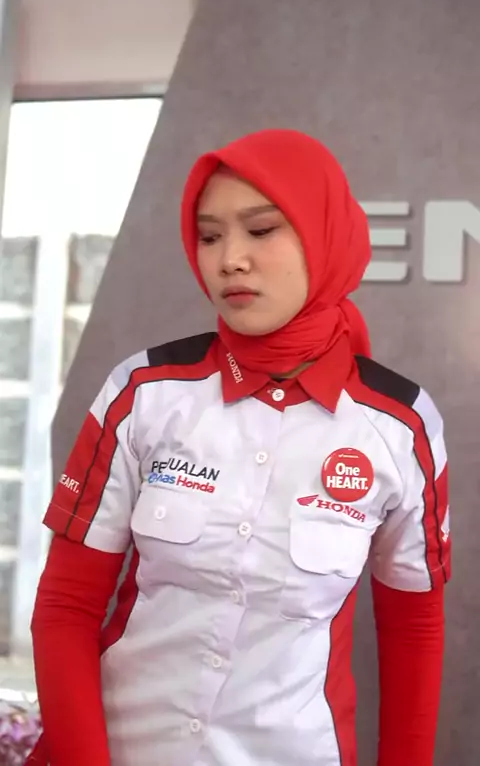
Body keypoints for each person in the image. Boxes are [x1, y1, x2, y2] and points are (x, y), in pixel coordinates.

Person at [27, 129, 450, 766]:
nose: (230, 259)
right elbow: (67, 605)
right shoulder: (143, 392)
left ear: (324, 235)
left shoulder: (398, 425)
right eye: (209, 236)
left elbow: (413, 629)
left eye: (261, 229)